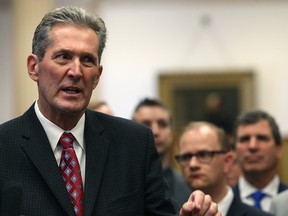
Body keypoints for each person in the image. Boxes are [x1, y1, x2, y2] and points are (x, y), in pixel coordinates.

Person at [0, 6, 221, 216]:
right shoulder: (4, 146)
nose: (76, 71)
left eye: (87, 60)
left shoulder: (133, 144)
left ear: (97, 76)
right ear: (33, 67)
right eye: (63, 57)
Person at [176, 121, 272, 216]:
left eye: (204, 155)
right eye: (186, 157)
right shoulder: (170, 211)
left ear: (227, 162)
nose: (193, 164)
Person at [132, 98, 191, 206]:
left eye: (162, 124)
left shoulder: (189, 187)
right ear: (131, 132)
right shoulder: (120, 184)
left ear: (172, 133)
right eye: (146, 124)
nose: (155, 131)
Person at [232, 109, 287, 212]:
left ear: (278, 150)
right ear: (234, 151)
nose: (252, 146)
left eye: (262, 138)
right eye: (245, 139)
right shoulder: (222, 204)